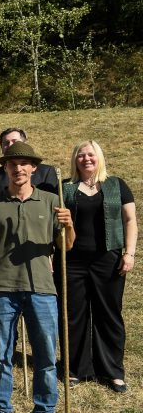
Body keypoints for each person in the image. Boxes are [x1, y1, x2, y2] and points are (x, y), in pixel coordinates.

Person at [0, 141, 74, 413]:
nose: (18, 168)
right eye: (12, 163)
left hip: (42, 289)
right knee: (1, 354)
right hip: (2, 288)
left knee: (45, 354)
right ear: (5, 167)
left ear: (33, 168)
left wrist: (68, 227)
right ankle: (1, 409)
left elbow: (65, 247)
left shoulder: (51, 201)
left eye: (24, 163)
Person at [59, 141, 136, 392]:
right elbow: (55, 226)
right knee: (73, 315)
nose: (86, 159)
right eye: (81, 155)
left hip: (109, 259)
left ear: (99, 157)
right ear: (75, 160)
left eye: (91, 155)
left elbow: (130, 220)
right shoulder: (66, 188)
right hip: (73, 260)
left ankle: (112, 371)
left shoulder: (116, 185)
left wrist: (130, 253)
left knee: (109, 314)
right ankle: (75, 369)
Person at [0, 128, 59, 197]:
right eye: (6, 143)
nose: (10, 145)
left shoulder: (46, 172)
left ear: (24, 144)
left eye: (15, 141)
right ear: (1, 148)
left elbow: (54, 202)